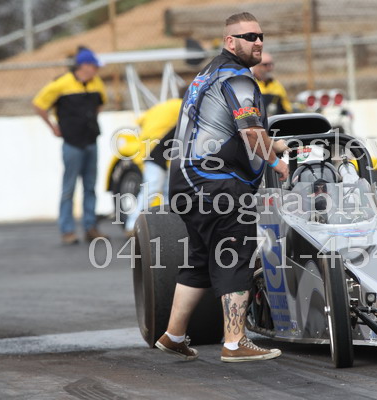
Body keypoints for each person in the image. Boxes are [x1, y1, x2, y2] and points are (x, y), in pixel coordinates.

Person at [157, 12, 289, 363]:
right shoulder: (238, 78)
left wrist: (276, 145)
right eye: (249, 37)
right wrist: (278, 164)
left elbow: (224, 129)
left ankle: (173, 335)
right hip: (216, 184)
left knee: (202, 260)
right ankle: (235, 342)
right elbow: (250, 132)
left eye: (260, 36)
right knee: (235, 254)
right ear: (230, 41)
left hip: (187, 183)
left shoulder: (208, 73)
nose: (258, 42)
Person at [33, 46, 108, 244]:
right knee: (69, 188)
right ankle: (67, 230)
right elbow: (39, 104)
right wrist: (53, 127)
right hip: (72, 143)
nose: (96, 70)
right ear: (84, 66)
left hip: (91, 141)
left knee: (90, 187)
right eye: (94, 67)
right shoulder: (61, 84)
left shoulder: (96, 83)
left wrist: (91, 121)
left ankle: (90, 227)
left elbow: (101, 102)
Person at [124, 97, 182, 233]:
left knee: (163, 191)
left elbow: (141, 121)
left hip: (155, 152)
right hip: (158, 157)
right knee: (152, 190)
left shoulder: (167, 106)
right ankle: (132, 225)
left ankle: (167, 226)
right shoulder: (184, 106)